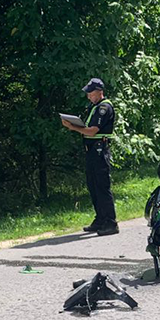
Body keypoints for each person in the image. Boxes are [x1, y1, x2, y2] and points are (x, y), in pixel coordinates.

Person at [62, 78, 118, 235]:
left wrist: (73, 127)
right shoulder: (94, 106)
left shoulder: (104, 108)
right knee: (93, 185)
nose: (88, 96)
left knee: (102, 186)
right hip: (92, 150)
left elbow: (93, 130)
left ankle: (110, 222)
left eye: (91, 93)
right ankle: (100, 219)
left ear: (100, 92)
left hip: (100, 149)